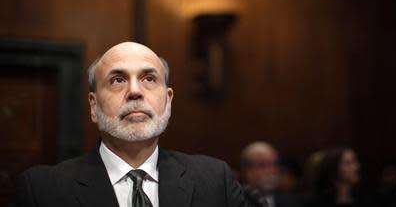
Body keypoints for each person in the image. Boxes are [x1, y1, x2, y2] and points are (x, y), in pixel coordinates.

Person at [14, 41, 249, 207]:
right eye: (118, 80)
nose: (135, 91)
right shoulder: (43, 190)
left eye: (149, 78)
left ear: (168, 101)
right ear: (94, 106)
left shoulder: (216, 181)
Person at [240, 141, 301, 207]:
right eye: (263, 165)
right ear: (247, 170)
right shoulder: (236, 201)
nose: (271, 171)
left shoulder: (293, 202)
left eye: (275, 164)